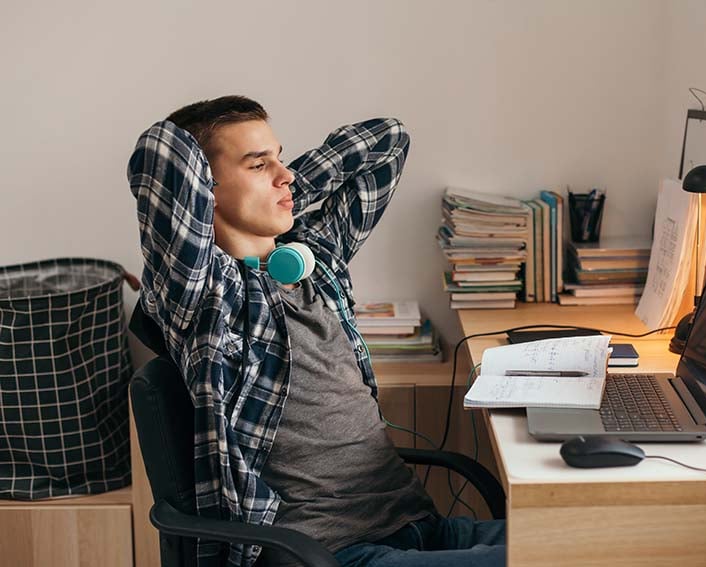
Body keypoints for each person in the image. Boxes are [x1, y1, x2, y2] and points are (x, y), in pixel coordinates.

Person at [127, 95, 505, 567]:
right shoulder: (204, 296)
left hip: (421, 527)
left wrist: (282, 187)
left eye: (279, 157)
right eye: (258, 164)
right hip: (329, 554)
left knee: (603, 538)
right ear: (205, 189)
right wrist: (226, 186)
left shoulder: (313, 262)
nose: (283, 173)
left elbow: (389, 139)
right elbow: (160, 150)